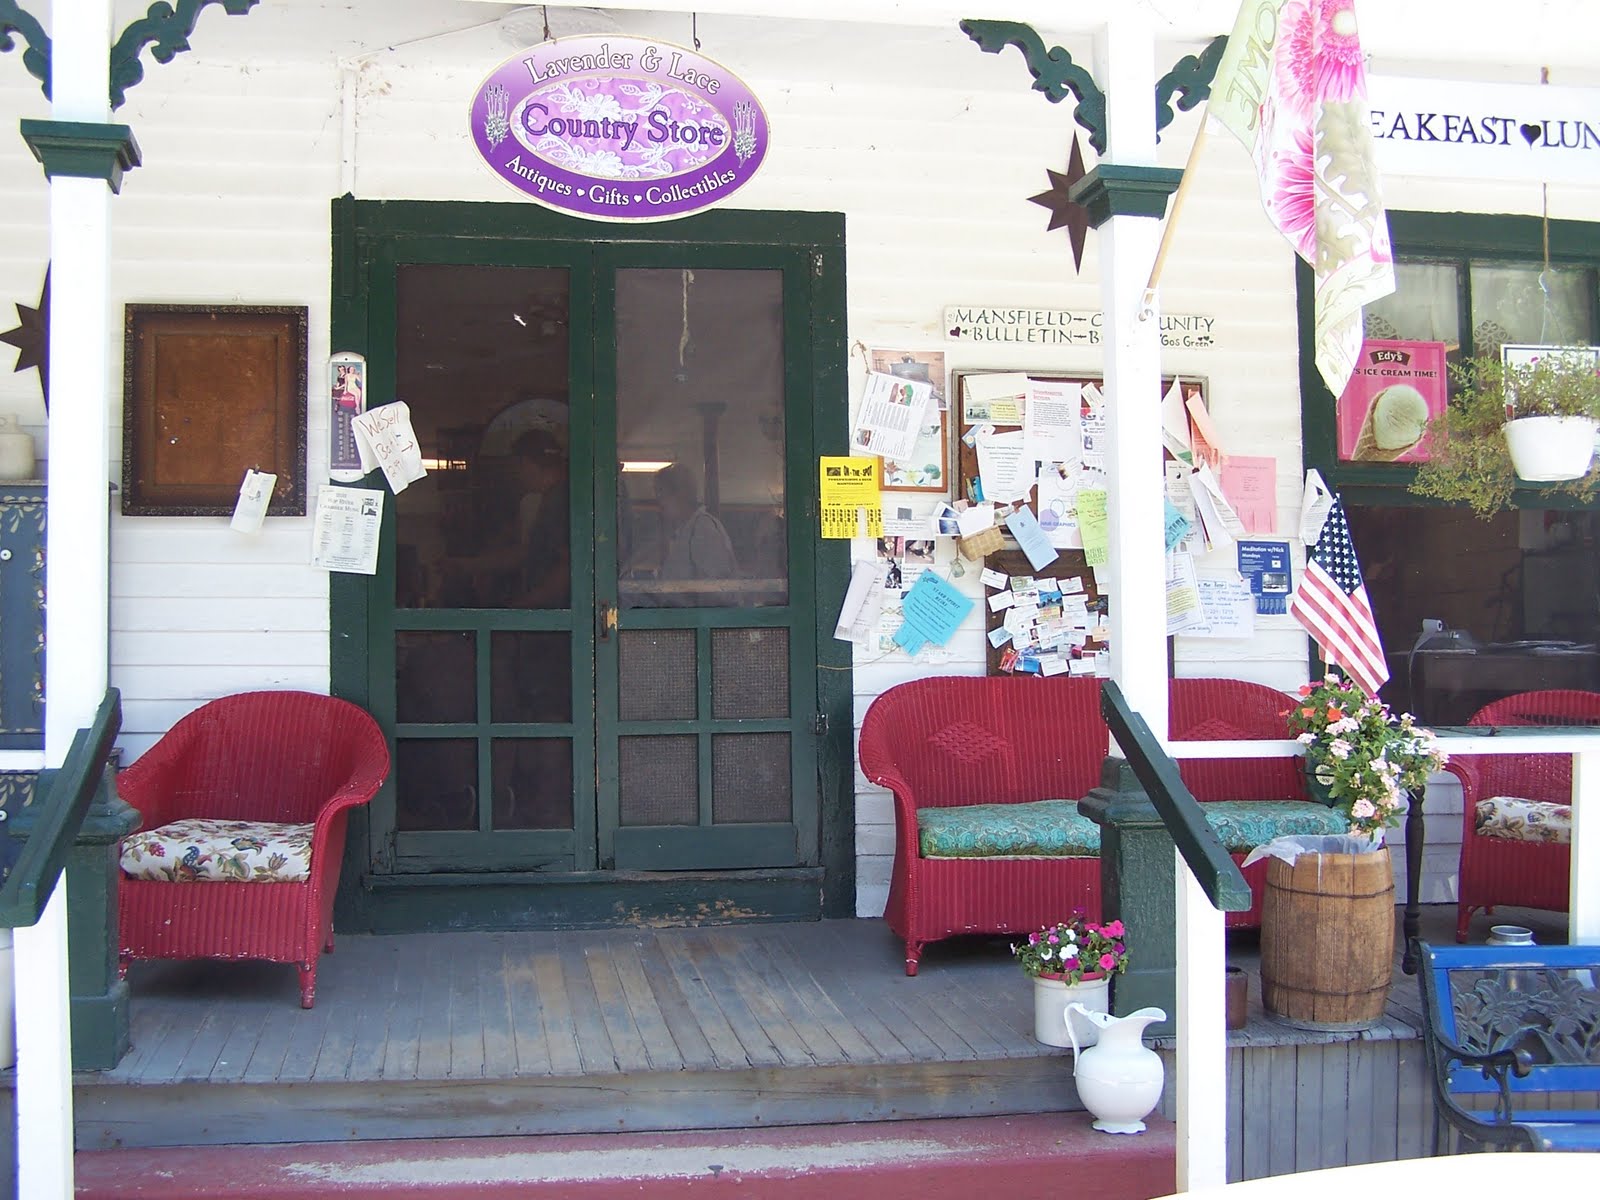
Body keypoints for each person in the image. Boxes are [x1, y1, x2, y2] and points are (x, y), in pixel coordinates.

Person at [655, 463, 738, 603]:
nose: (660, 503)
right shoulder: (683, 532)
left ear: (681, 494)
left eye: (662, 494)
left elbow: (716, 592)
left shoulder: (703, 530)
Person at [513, 429, 570, 609]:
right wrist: (470, 565)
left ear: (527, 463)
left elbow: (567, 567)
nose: (518, 475)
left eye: (518, 467)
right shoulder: (553, 498)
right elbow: (530, 552)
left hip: (556, 615)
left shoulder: (558, 503)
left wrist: (522, 605)